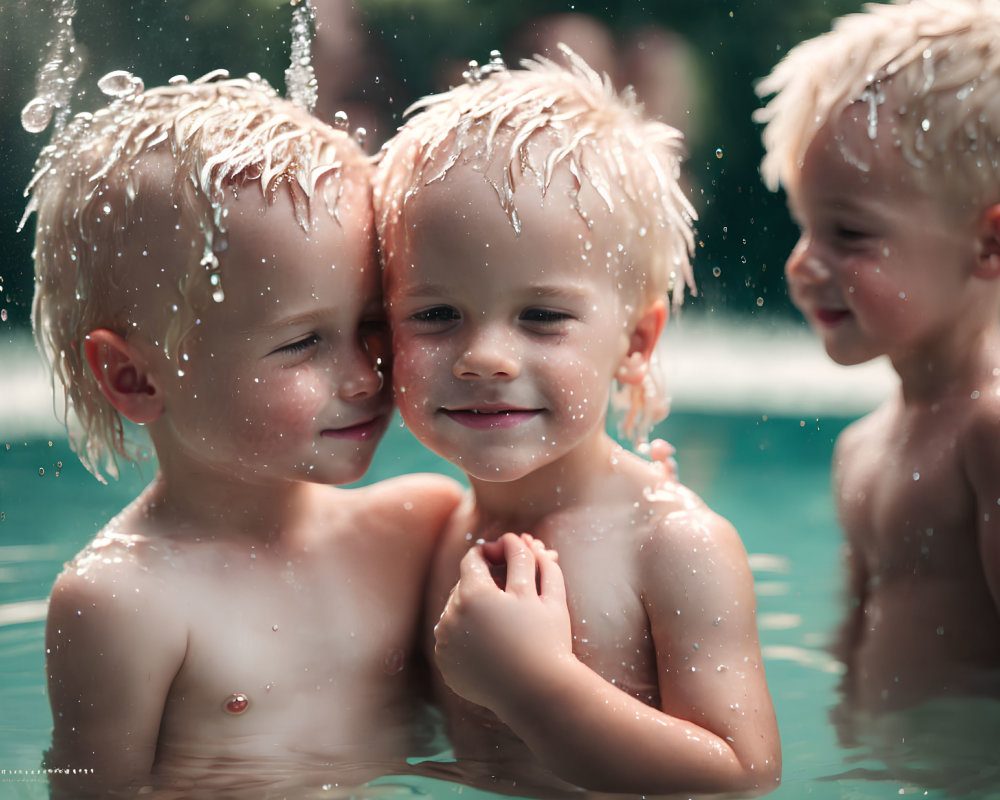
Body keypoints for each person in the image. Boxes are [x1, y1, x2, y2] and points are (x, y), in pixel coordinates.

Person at [26, 71, 461, 797]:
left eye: (371, 326)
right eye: (302, 345)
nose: (362, 375)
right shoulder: (120, 602)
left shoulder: (418, 528)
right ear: (134, 378)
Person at [374, 47, 781, 797]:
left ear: (635, 343)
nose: (484, 357)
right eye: (435, 314)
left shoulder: (672, 544)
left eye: (541, 316)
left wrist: (534, 687)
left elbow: (740, 776)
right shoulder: (433, 530)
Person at [755, 0, 1000, 775]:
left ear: (988, 242)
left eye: (849, 233)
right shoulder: (863, 447)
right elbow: (851, 640)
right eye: (802, 225)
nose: (802, 263)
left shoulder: (988, 434)